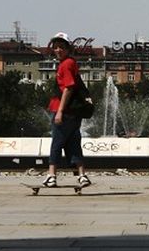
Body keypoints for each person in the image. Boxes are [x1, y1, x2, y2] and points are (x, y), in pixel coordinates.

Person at [42, 32, 91, 188]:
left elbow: (68, 88)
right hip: (74, 112)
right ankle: (82, 175)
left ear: (68, 48)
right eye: (55, 47)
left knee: (57, 142)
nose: (58, 50)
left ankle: (52, 175)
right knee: (73, 142)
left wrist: (60, 112)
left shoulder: (66, 64)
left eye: (61, 47)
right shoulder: (70, 62)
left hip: (64, 111)